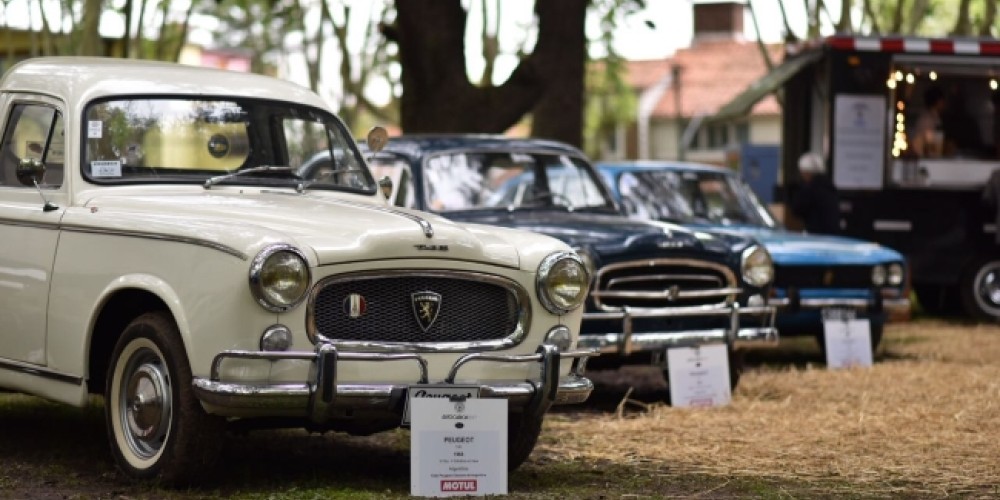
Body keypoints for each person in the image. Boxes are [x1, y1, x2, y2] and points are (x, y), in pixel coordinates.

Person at [790, 152, 840, 235]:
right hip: (832, 233)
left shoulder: (809, 189)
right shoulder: (830, 187)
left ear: (807, 173)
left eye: (803, 172)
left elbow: (797, 209)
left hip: (815, 233)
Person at [910, 86, 947, 158]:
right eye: (942, 101)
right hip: (925, 159)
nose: (944, 104)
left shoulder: (936, 118)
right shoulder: (927, 119)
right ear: (938, 101)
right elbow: (929, 145)